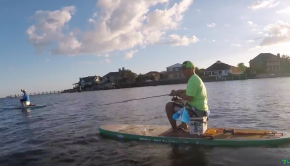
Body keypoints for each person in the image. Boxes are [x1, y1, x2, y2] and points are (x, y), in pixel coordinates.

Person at [166, 61, 209, 131]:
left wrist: (177, 94)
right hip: (202, 110)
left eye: (185, 69)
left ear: (191, 69)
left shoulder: (192, 80)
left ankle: (174, 130)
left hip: (197, 112)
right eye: (182, 69)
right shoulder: (196, 78)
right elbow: (190, 92)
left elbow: (189, 98)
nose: (183, 71)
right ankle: (184, 125)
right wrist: (179, 91)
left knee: (169, 106)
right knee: (180, 102)